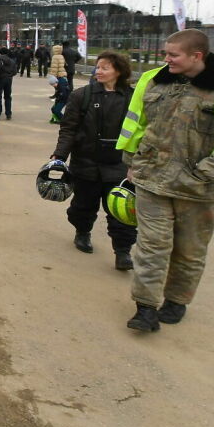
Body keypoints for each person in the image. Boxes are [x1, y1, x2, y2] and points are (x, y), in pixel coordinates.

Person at [116, 29, 214, 333]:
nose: (165, 59)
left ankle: (177, 300)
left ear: (197, 55)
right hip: (152, 180)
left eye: (173, 54)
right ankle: (145, 307)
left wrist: (205, 172)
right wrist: (132, 162)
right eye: (166, 53)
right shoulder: (154, 80)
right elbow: (136, 122)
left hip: (199, 190)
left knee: (189, 250)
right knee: (151, 246)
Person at [52, 51, 137, 269]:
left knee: (121, 210)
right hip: (86, 162)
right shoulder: (82, 95)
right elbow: (68, 128)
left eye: (105, 68)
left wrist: (136, 163)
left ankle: (122, 251)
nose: (98, 71)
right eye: (97, 67)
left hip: (119, 165)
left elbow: (140, 133)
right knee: (83, 206)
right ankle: (82, 232)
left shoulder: (133, 98)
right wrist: (60, 155)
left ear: (118, 71)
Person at [49, 43, 69, 123]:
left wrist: (52, 78)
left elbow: (54, 68)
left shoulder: (55, 57)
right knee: (61, 91)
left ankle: (60, 119)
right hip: (63, 76)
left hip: (59, 77)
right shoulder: (62, 56)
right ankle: (56, 117)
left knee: (60, 92)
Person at [0, 46, 15, 120]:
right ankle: (8, 113)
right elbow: (15, 72)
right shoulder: (12, 61)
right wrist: (10, 75)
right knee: (8, 97)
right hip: (9, 80)